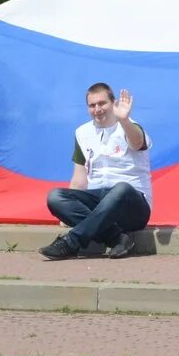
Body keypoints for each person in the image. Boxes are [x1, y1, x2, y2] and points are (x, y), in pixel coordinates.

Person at [40, 83, 152, 261]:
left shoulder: (130, 126)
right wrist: (67, 211)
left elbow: (138, 143)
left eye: (102, 103)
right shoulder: (82, 133)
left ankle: (71, 241)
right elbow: (79, 179)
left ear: (113, 103)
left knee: (121, 189)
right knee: (55, 196)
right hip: (99, 200)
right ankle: (117, 238)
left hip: (132, 204)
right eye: (92, 105)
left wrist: (124, 120)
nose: (97, 109)